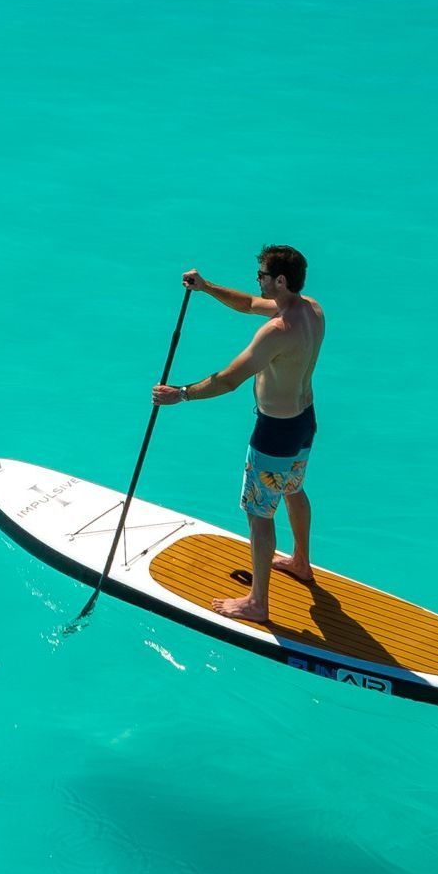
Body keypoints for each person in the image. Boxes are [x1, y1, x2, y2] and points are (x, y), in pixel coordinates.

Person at [152, 245, 324, 623]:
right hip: (304, 422)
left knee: (258, 514)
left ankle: (257, 603)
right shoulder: (310, 309)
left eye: (262, 275)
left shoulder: (277, 331)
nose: (257, 280)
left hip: (274, 434)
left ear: (280, 280)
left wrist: (180, 394)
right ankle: (301, 562)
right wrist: (207, 287)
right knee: (293, 489)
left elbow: (230, 380)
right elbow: (248, 303)